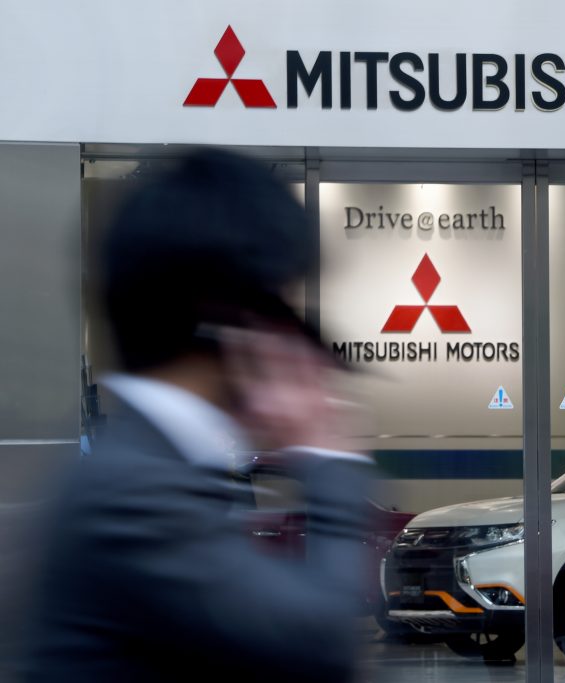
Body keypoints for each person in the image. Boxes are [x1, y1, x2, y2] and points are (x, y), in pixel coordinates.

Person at [23, 149, 374, 682]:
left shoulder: (158, 469)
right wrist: (329, 457)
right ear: (229, 315)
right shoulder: (133, 494)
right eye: (279, 306)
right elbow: (317, 644)